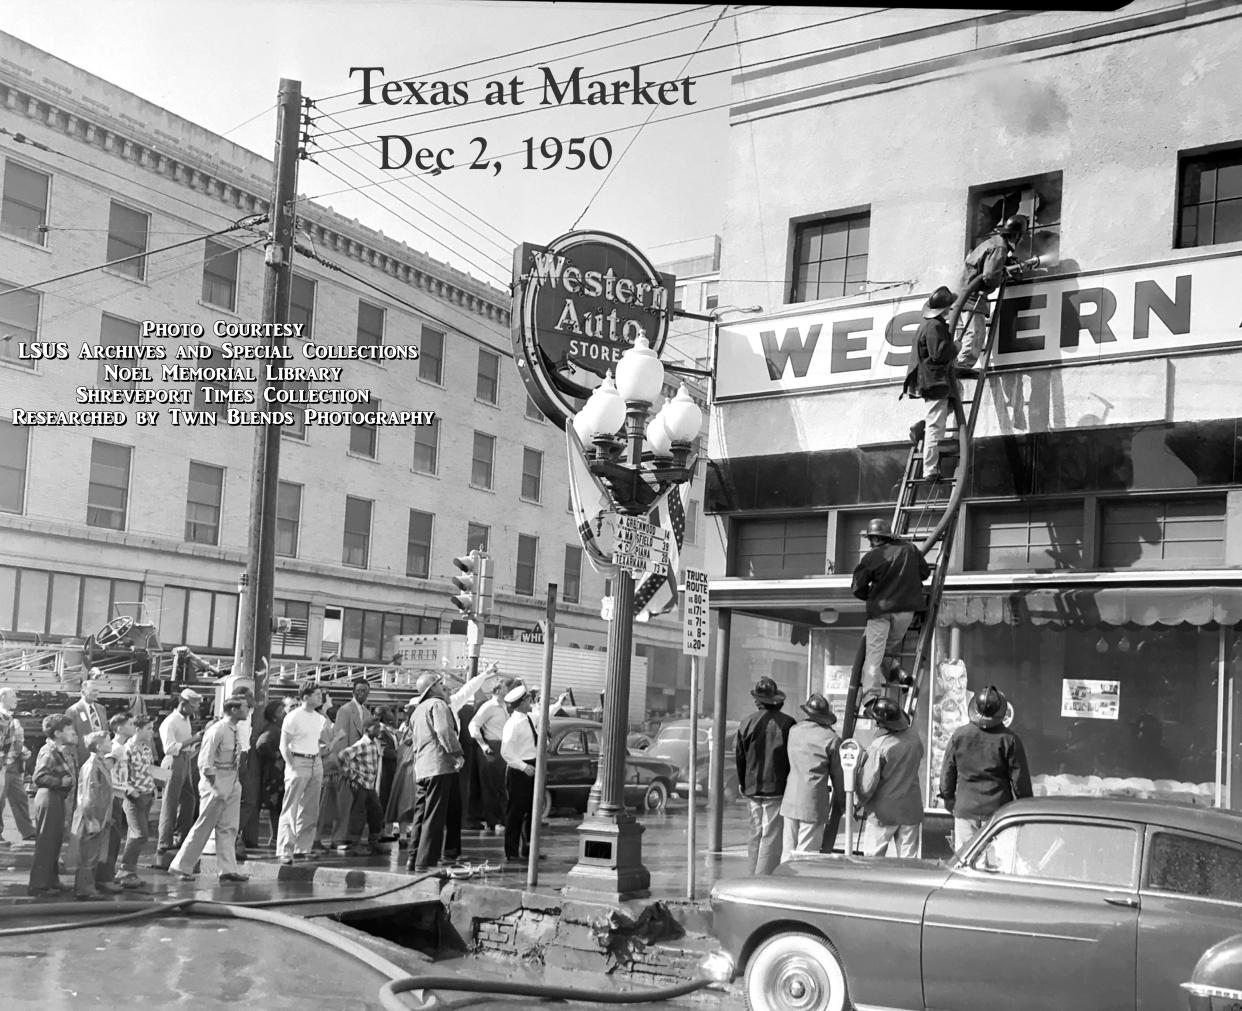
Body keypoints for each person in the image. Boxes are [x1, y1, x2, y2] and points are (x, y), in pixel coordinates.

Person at [938, 686, 1032, 851]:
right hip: (998, 813)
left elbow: (947, 773)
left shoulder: (959, 736)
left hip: (965, 810)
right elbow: (1020, 782)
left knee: (964, 863)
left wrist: (948, 798)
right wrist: (1025, 808)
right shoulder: (1010, 740)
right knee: (998, 863)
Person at [169, 695, 250, 884]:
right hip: (217, 781)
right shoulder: (218, 730)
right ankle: (180, 866)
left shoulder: (235, 729)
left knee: (229, 827)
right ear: (233, 710)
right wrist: (215, 786)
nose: (248, 710)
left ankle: (228, 869)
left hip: (232, 779)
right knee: (204, 826)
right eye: (244, 707)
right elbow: (204, 762)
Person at [852, 518, 930, 690]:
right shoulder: (910, 549)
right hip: (906, 612)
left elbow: (857, 588)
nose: (871, 543)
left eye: (871, 539)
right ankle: (897, 671)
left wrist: (872, 596)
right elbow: (924, 573)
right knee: (884, 647)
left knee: (874, 653)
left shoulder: (871, 557)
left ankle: (871, 695)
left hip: (880, 612)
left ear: (875, 538)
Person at [735, 677, 795, 875]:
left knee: (755, 832)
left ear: (757, 701)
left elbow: (740, 757)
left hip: (752, 789)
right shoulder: (787, 724)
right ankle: (764, 877)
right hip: (776, 788)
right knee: (770, 834)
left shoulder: (746, 723)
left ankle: (753, 873)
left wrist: (743, 784)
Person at [407, 673, 464, 872]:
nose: (443, 687)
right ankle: (426, 862)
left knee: (420, 815)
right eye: (439, 684)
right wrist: (457, 753)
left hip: (422, 768)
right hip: (439, 766)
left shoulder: (416, 711)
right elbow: (444, 731)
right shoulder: (437, 705)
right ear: (432, 688)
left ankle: (413, 857)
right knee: (434, 816)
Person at [904, 285, 960, 483]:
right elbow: (939, 354)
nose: (951, 309)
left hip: (932, 381)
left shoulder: (927, 325)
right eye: (949, 306)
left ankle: (921, 427)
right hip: (935, 382)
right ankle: (929, 469)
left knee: (947, 408)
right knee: (937, 425)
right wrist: (956, 347)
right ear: (944, 309)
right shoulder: (935, 327)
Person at [857, 697, 924, 858]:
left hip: (883, 813)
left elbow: (867, 785)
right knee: (909, 863)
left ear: (882, 724)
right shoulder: (914, 738)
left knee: (873, 862)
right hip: (910, 810)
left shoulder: (879, 746)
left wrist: (858, 802)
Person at [957, 214, 1027, 367]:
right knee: (977, 332)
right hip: (973, 297)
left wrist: (1006, 263)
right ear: (1016, 235)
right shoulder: (999, 247)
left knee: (966, 333)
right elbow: (989, 277)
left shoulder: (994, 243)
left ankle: (960, 363)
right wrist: (1004, 274)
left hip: (965, 295)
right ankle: (963, 365)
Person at [779, 693, 844, 856]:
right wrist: (842, 801)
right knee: (807, 854)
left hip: (790, 801)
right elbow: (839, 776)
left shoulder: (794, 731)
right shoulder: (832, 738)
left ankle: (784, 880)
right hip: (812, 803)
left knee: (788, 851)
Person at [277, 684, 330, 865]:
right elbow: (284, 745)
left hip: (315, 760)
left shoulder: (319, 718)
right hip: (298, 760)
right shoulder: (292, 717)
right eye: (316, 694)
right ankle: (286, 849)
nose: (320, 697)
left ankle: (302, 848)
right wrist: (291, 765)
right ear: (305, 697)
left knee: (310, 808)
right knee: (291, 807)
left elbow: (319, 740)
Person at [28, 715, 77, 896]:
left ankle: (52, 880)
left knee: (55, 840)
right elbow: (38, 777)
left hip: (55, 798)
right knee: (47, 841)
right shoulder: (49, 752)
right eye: (68, 729)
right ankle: (39, 885)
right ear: (57, 733)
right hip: (49, 796)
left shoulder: (57, 750)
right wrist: (60, 782)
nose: (72, 732)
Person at [157, 688, 203, 859]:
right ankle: (164, 842)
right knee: (170, 802)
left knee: (189, 799)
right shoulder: (170, 722)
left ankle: (180, 836)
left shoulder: (186, 720)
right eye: (192, 706)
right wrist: (193, 739)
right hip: (173, 761)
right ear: (183, 704)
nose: (195, 710)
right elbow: (168, 748)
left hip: (184, 759)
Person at [70, 730, 116, 900]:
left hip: (100, 815)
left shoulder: (100, 764)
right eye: (108, 740)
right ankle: (85, 889)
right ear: (98, 746)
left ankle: (88, 886)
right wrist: (91, 818)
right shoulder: (92, 766)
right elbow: (88, 796)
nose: (111, 742)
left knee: (94, 852)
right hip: (93, 816)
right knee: (88, 854)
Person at [499, 683, 539, 864]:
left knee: (532, 811)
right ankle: (511, 850)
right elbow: (506, 752)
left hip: (532, 764)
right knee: (516, 811)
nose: (531, 701)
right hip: (519, 769)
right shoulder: (512, 724)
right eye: (529, 699)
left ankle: (528, 848)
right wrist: (524, 767)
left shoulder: (529, 718)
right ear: (522, 702)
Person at [330, 679, 372, 850]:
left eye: (366, 690)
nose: (362, 693)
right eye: (360, 690)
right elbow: (341, 738)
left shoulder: (367, 713)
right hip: (348, 765)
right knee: (343, 803)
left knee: (358, 805)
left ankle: (352, 837)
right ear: (353, 691)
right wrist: (343, 765)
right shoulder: (345, 711)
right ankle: (338, 838)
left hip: (362, 767)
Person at [468, 677, 513, 836]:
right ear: (499, 689)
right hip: (491, 747)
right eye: (506, 687)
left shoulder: (504, 707)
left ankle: (502, 819)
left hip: (503, 747)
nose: (508, 690)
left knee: (502, 785)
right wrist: (483, 744)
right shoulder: (489, 706)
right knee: (491, 786)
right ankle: (493, 821)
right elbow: (474, 725)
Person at [338, 718, 389, 856]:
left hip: (370, 784)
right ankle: (355, 844)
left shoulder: (373, 744)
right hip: (361, 783)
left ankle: (374, 842)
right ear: (367, 730)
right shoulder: (362, 744)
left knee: (376, 812)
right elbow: (342, 755)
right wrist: (352, 775)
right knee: (358, 814)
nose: (379, 730)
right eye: (376, 728)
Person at [118, 713, 157, 888]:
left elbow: (148, 770)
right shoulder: (127, 750)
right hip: (134, 798)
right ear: (138, 729)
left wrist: (154, 787)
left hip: (147, 795)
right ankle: (125, 870)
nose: (152, 732)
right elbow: (121, 776)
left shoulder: (146, 749)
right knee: (140, 834)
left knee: (135, 834)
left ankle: (130, 871)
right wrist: (132, 793)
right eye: (149, 728)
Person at [96, 712, 133, 888]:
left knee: (115, 837)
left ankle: (107, 875)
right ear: (119, 728)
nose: (133, 727)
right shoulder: (116, 748)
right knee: (111, 838)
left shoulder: (120, 747)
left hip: (117, 795)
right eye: (130, 724)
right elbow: (106, 771)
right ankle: (105, 878)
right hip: (113, 798)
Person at [0, 687, 35, 847]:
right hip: (3, 766)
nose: (16, 699)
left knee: (20, 798)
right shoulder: (2, 717)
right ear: (3, 697)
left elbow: (15, 742)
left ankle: (28, 831)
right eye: (13, 695)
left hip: (13, 766)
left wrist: (25, 751)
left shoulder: (13, 719)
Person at [384, 698, 419, 845]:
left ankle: (406, 833)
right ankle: (406, 834)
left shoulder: (407, 727)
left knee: (405, 799)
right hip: (410, 765)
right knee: (407, 800)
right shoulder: (411, 727)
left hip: (407, 764)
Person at [252, 700, 286, 847]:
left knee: (276, 807)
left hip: (276, 774)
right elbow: (261, 744)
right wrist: (276, 755)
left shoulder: (278, 728)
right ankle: (275, 838)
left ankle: (275, 837)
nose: (284, 714)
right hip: (274, 775)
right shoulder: (273, 730)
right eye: (280, 711)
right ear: (273, 715)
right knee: (275, 806)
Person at [65, 672, 108, 766]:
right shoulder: (73, 710)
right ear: (83, 692)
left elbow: (105, 730)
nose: (96, 693)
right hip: (83, 755)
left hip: (100, 754)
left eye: (97, 691)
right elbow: (70, 737)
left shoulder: (101, 709)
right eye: (93, 691)